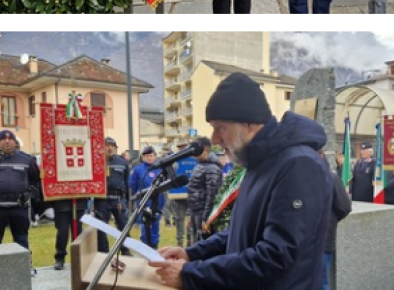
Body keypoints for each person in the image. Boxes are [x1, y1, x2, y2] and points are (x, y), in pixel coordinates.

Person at [149, 72, 332, 290]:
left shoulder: (299, 165)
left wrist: (192, 275)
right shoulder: (260, 162)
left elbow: (276, 256)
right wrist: (192, 253)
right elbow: (240, 231)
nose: (215, 139)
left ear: (250, 124)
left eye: (220, 127)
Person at [0, 130, 40, 265]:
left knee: (21, 239)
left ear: (15, 142)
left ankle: (25, 267)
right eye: (3, 139)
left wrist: (31, 194)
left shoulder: (26, 159)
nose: (7, 142)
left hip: (18, 208)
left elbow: (34, 179)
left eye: (10, 139)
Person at [95, 137, 130, 254]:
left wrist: (126, 200)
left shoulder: (123, 163)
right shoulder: (96, 162)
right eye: (107, 145)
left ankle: (125, 250)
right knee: (101, 227)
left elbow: (127, 182)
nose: (109, 148)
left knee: (123, 225)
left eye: (112, 145)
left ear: (115, 148)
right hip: (102, 199)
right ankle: (103, 252)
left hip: (118, 199)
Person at [187, 137, 222, 246]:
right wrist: (190, 214)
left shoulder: (212, 168)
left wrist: (206, 219)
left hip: (203, 213)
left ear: (206, 150)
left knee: (203, 245)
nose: (194, 152)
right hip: (195, 211)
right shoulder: (199, 165)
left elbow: (212, 195)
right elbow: (193, 190)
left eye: (197, 149)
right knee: (195, 244)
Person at [129, 146, 166, 249]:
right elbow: (132, 184)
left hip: (157, 202)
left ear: (155, 156)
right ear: (142, 157)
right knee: (144, 226)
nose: (149, 158)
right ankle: (145, 246)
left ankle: (154, 246)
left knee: (155, 226)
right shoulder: (138, 169)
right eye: (146, 156)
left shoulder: (160, 168)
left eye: (151, 155)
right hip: (143, 203)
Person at [324, 157, 352, 290]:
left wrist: (330, 221)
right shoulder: (295, 177)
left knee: (321, 281)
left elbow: (344, 207)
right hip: (301, 242)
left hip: (322, 240)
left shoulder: (331, 178)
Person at [52, 197, 88, 270]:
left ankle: (78, 256)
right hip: (62, 203)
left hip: (79, 202)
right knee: (62, 232)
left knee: (78, 231)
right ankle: (60, 257)